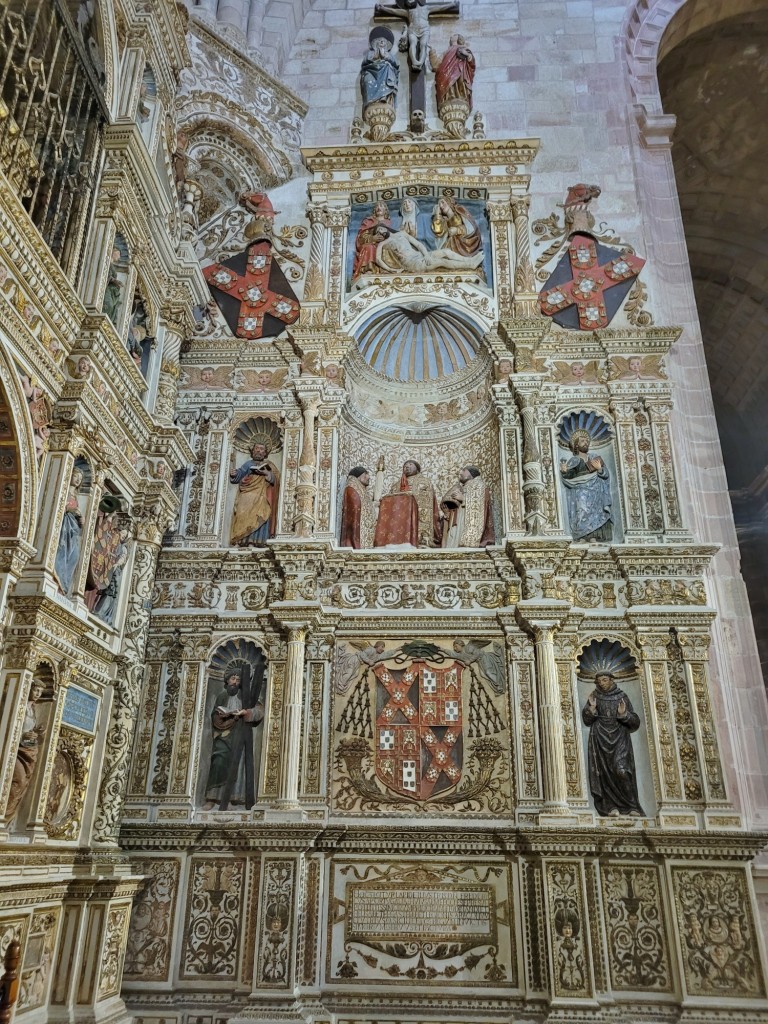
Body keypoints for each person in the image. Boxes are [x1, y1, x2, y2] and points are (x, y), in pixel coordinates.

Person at [581, 672, 645, 817]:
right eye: (599, 681)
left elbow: (635, 722)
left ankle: (632, 806)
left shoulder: (621, 696)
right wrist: (591, 709)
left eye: (604, 680)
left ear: (611, 680)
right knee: (603, 773)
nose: (602, 683)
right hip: (600, 737)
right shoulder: (595, 696)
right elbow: (586, 720)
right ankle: (609, 806)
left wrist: (624, 714)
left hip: (620, 737)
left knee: (621, 770)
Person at [204, 674, 264, 809]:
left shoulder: (246, 696)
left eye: (238, 680)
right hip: (223, 735)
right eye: (233, 679)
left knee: (236, 764)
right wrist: (222, 715)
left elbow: (259, 710)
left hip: (240, 734)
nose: (235, 682)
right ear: (227, 680)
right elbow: (215, 715)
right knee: (218, 761)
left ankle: (232, 799)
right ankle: (212, 798)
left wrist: (246, 713)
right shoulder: (223, 696)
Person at [559, 429, 613, 541]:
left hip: (596, 489)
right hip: (580, 490)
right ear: (576, 445)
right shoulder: (574, 460)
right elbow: (569, 475)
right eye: (582, 441)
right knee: (582, 510)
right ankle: (582, 536)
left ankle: (595, 536)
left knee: (597, 511)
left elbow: (606, 474)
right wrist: (564, 471)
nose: (586, 443)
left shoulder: (594, 457)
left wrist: (599, 469)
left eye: (587, 441)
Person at [374, 460, 440, 547]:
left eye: (410, 464)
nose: (407, 467)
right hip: (401, 518)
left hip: (418, 515)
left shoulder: (425, 482)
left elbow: (429, 500)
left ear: (417, 469)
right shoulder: (396, 485)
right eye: (405, 466)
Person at [6, 681, 45, 820]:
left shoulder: (32, 709)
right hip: (14, 749)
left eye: (40, 692)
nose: (38, 694)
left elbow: (28, 729)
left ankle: (6, 816)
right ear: (29, 689)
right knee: (19, 780)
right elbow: (8, 725)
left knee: (24, 782)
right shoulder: (19, 705)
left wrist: (35, 733)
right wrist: (22, 735)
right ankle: (4, 814)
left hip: (27, 750)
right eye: (36, 690)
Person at [373, 224, 484, 274]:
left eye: (381, 229)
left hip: (419, 255)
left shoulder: (402, 234)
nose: (381, 232)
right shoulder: (383, 243)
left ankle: (470, 260)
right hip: (412, 263)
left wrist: (426, 255)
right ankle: (470, 265)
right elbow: (378, 259)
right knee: (442, 261)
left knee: (446, 251)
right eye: (378, 232)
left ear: (385, 228)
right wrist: (392, 270)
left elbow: (418, 245)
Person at [229, 442, 280, 545]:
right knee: (242, 512)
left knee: (261, 513)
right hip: (247, 493)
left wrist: (267, 473)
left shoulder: (269, 465)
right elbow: (240, 474)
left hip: (262, 495)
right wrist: (235, 474)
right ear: (253, 451)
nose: (258, 451)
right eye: (257, 448)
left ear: (265, 453)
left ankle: (258, 540)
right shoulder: (248, 464)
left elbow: (277, 480)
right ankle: (242, 539)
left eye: (261, 449)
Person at [440, 466, 495, 548]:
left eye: (464, 470)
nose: (460, 473)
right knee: (453, 539)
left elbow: (481, 504)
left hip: (465, 521)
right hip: (456, 521)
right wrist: (447, 512)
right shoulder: (460, 488)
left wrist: (463, 499)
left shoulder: (478, 486)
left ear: (472, 473)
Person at [54, 468, 84, 595]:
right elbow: (58, 505)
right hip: (65, 526)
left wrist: (81, 518)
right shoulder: (64, 489)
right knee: (62, 551)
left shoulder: (76, 496)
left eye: (80, 479)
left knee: (74, 556)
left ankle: (64, 585)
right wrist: (70, 510)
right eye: (76, 476)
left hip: (73, 529)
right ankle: (57, 580)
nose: (78, 480)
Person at [360, 26, 399, 113]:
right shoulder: (371, 53)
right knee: (367, 79)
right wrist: (375, 56)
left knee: (388, 67)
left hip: (385, 71)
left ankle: (384, 98)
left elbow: (395, 63)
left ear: (386, 44)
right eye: (379, 40)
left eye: (384, 41)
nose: (381, 42)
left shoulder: (389, 54)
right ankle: (371, 102)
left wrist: (385, 56)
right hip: (371, 71)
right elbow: (365, 61)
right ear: (375, 43)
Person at [431, 194, 482, 259]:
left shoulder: (459, 210)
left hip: (465, 244)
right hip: (450, 245)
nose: (441, 206)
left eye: (443, 202)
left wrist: (457, 230)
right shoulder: (444, 220)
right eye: (439, 205)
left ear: (449, 202)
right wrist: (437, 214)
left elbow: (471, 227)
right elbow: (438, 231)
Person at [433, 33, 476, 109]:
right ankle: (448, 97)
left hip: (460, 70)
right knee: (448, 84)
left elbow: (471, 62)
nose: (451, 37)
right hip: (446, 73)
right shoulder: (446, 52)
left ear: (458, 39)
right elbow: (436, 65)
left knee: (460, 81)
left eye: (453, 36)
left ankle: (461, 96)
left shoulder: (463, 48)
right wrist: (432, 53)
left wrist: (466, 54)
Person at [352, 201, 392, 279]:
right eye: (377, 206)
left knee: (388, 247)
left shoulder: (390, 222)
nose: (379, 208)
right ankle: (369, 269)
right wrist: (372, 238)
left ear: (386, 210)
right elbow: (361, 237)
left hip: (386, 244)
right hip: (372, 244)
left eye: (381, 206)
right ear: (374, 210)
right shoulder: (369, 221)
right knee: (369, 247)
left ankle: (387, 270)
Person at [340, 467, 376, 549]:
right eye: (366, 474)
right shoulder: (352, 488)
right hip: (355, 534)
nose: (368, 477)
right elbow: (354, 511)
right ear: (359, 475)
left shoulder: (361, 490)